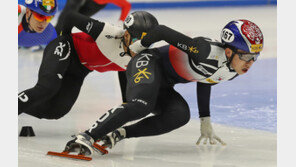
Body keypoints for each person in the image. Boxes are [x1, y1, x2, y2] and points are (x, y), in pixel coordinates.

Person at [62, 19, 264, 156]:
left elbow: (206, 79)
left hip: (164, 84)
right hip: (149, 62)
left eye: (255, 57)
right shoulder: (204, 51)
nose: (250, 63)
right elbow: (161, 31)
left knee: (180, 115)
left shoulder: (233, 71)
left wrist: (205, 119)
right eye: (246, 56)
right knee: (141, 104)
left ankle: (118, 134)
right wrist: (138, 48)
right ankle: (86, 136)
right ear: (228, 52)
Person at [18, 11, 159, 120]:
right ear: (126, 35)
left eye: (146, 43)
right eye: (137, 41)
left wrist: (126, 101)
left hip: (79, 70)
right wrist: (62, 39)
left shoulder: (141, 56)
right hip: (67, 47)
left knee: (56, 110)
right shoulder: (108, 32)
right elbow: (70, 17)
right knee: (47, 88)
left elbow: (125, 70)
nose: (140, 47)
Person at [55, 0, 131, 35]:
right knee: (67, 13)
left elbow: (126, 5)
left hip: (95, 4)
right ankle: (54, 34)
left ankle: (62, 36)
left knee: (74, 19)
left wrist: (121, 21)